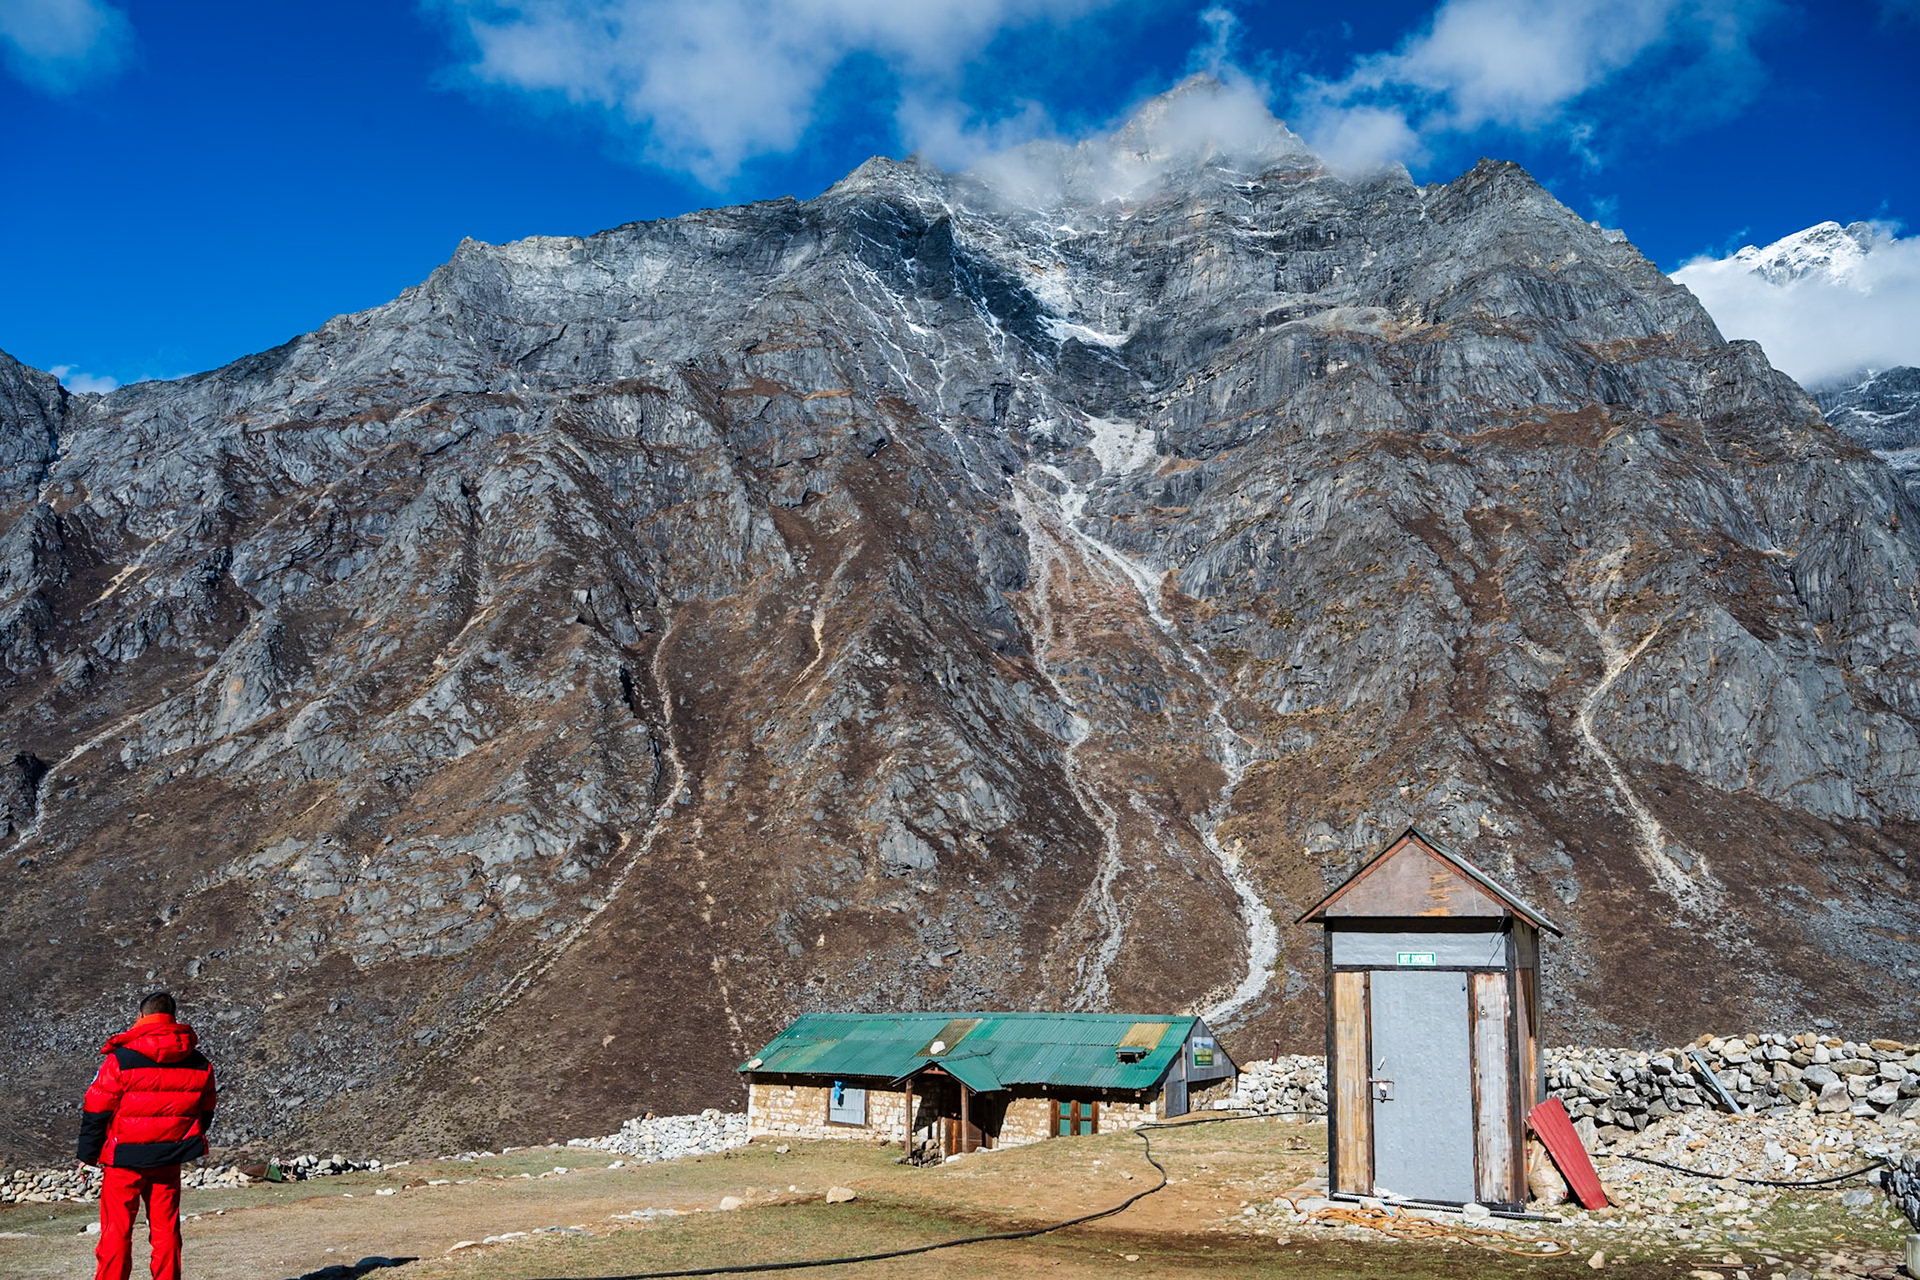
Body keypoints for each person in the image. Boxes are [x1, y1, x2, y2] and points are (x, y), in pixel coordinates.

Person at [76, 992, 217, 1280]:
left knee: (116, 1232)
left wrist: (87, 1156)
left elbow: (96, 1111)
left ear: (141, 1017)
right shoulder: (200, 1063)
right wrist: (179, 1139)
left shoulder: (120, 1059)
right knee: (166, 1232)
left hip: (123, 1160)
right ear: (173, 1019)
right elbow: (205, 1113)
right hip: (168, 1159)